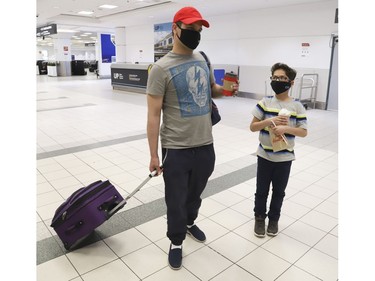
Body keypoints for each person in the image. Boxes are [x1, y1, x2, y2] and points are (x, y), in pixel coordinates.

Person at [146, 6, 238, 270]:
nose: (196, 35)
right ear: (175, 29)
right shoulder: (160, 69)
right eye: (190, 29)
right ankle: (176, 241)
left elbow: (212, 91)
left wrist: (227, 91)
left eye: (199, 30)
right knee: (175, 199)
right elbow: (153, 116)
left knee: (195, 193)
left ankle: (189, 222)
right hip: (176, 148)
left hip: (205, 144)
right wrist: (153, 154)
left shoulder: (202, 59)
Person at [249, 62, 308, 238]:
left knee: (279, 192)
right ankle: (259, 218)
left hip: (284, 158)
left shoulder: (297, 106)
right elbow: (252, 127)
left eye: (282, 78)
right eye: (274, 77)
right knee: (261, 190)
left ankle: (273, 219)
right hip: (265, 155)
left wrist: (286, 129)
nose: (277, 80)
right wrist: (268, 122)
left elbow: (304, 132)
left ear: (291, 82)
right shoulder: (265, 102)